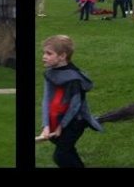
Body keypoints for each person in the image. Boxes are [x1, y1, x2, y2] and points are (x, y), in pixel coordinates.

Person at [38, 34, 103, 168]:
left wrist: (61, 126)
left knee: (60, 156)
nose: (44, 57)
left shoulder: (73, 78)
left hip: (75, 121)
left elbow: (75, 106)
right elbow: (46, 99)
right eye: (44, 53)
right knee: (67, 152)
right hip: (58, 118)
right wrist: (46, 125)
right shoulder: (51, 72)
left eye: (49, 53)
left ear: (62, 56)